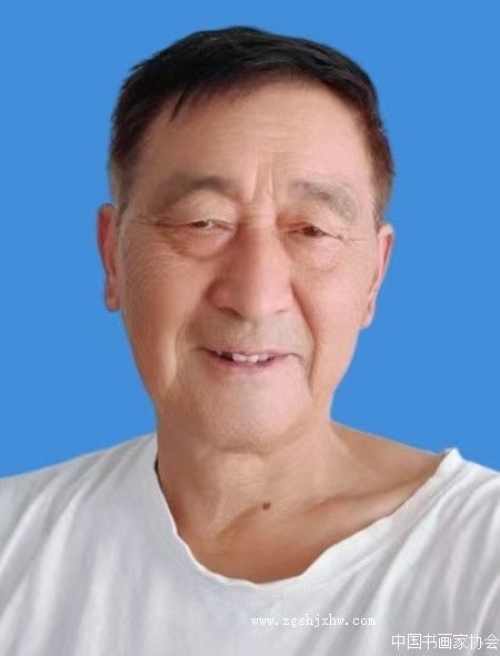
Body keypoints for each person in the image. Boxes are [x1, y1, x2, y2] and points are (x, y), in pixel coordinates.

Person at [0, 26, 498, 656]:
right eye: (203, 222)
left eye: (311, 230)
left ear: (374, 276)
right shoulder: (12, 542)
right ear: (113, 257)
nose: (256, 295)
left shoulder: (481, 563)